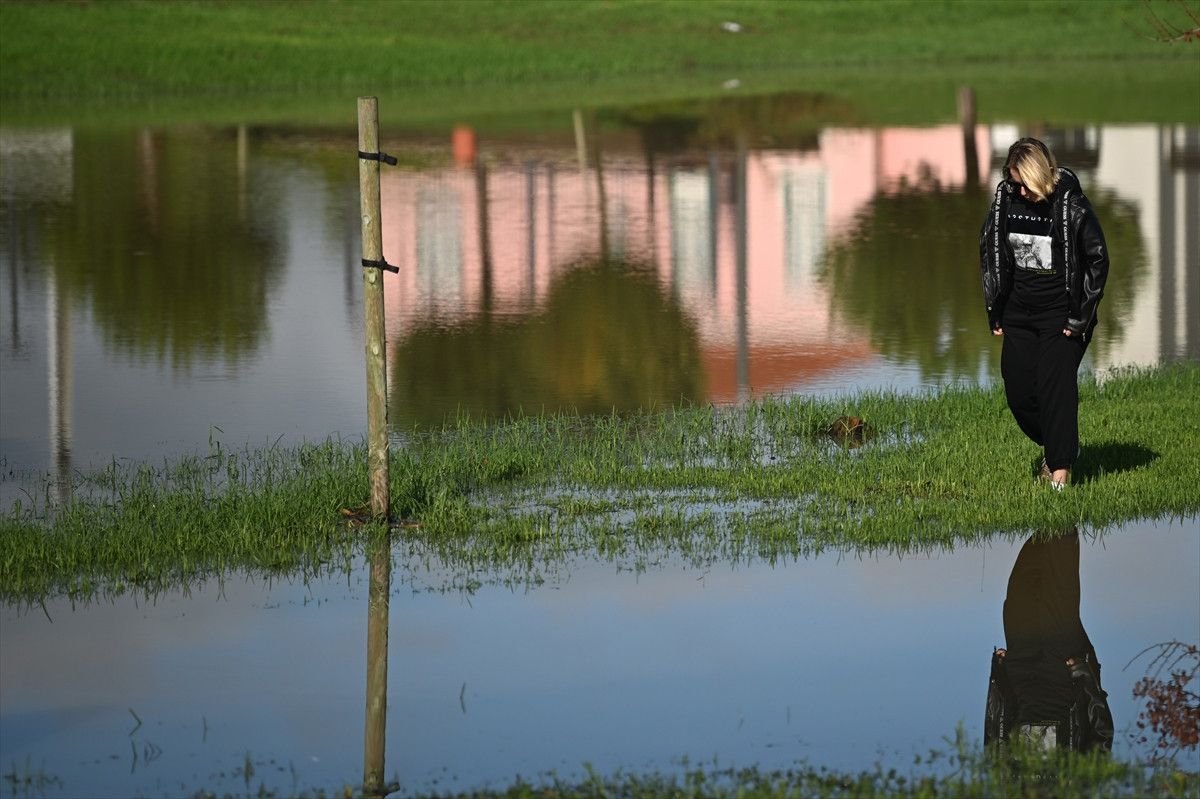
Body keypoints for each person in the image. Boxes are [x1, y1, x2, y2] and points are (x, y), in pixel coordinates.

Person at [979, 138, 1110, 489]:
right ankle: (1061, 442)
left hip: (1062, 315)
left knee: (1055, 389)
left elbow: (1098, 259)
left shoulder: (1071, 204)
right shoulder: (1005, 200)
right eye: (1015, 182)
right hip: (1018, 313)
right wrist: (996, 310)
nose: (1020, 191)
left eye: (1025, 184)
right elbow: (990, 251)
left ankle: (1059, 473)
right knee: (1019, 393)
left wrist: (1080, 317)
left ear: (1041, 175)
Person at [984, 530, 1114, 753]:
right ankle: (1063, 519)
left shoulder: (1008, 775)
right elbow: (1102, 734)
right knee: (1058, 586)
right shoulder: (1077, 775)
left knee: (1020, 589)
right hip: (1063, 673)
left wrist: (999, 672)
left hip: (1020, 672)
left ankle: (1046, 522)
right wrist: (1083, 674)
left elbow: (994, 738)